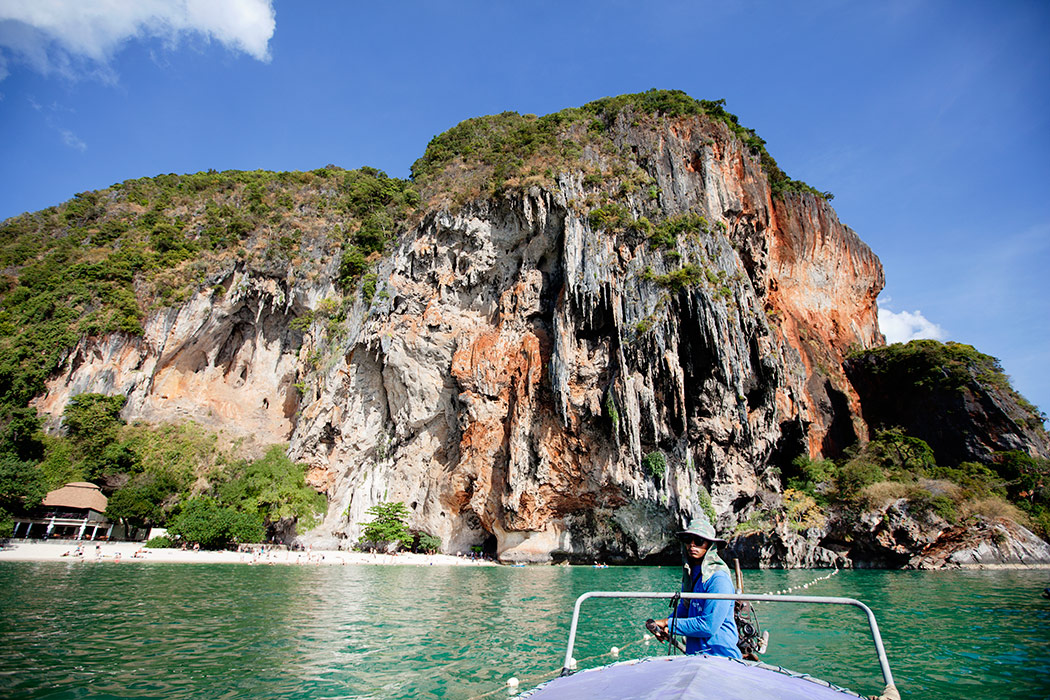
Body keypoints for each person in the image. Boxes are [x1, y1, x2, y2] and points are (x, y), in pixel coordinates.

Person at [651, 518, 741, 659]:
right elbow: (685, 608)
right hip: (695, 657)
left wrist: (669, 623)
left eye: (699, 541)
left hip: (720, 656)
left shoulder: (718, 579)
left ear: (710, 545)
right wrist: (664, 626)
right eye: (688, 540)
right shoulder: (692, 576)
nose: (692, 545)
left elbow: (708, 625)